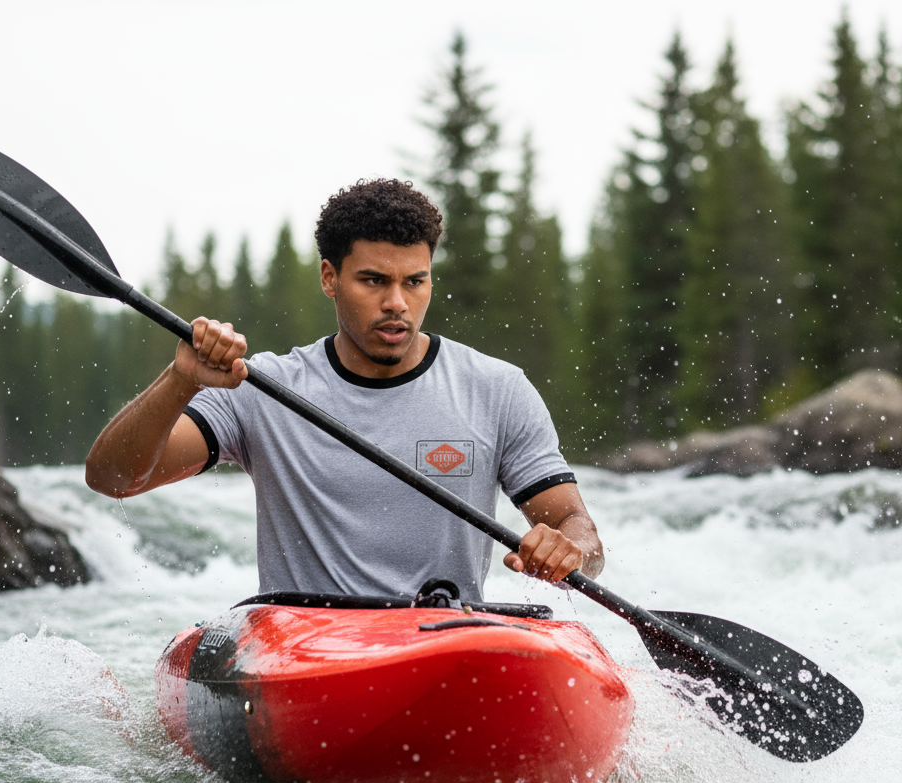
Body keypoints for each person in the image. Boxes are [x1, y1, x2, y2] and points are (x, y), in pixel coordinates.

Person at [85, 179, 603, 603]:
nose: (397, 302)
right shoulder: (261, 388)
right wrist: (182, 381)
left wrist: (570, 549)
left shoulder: (497, 390)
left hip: (448, 643)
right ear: (330, 279)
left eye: (415, 282)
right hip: (305, 652)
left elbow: (579, 530)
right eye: (374, 281)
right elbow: (113, 478)